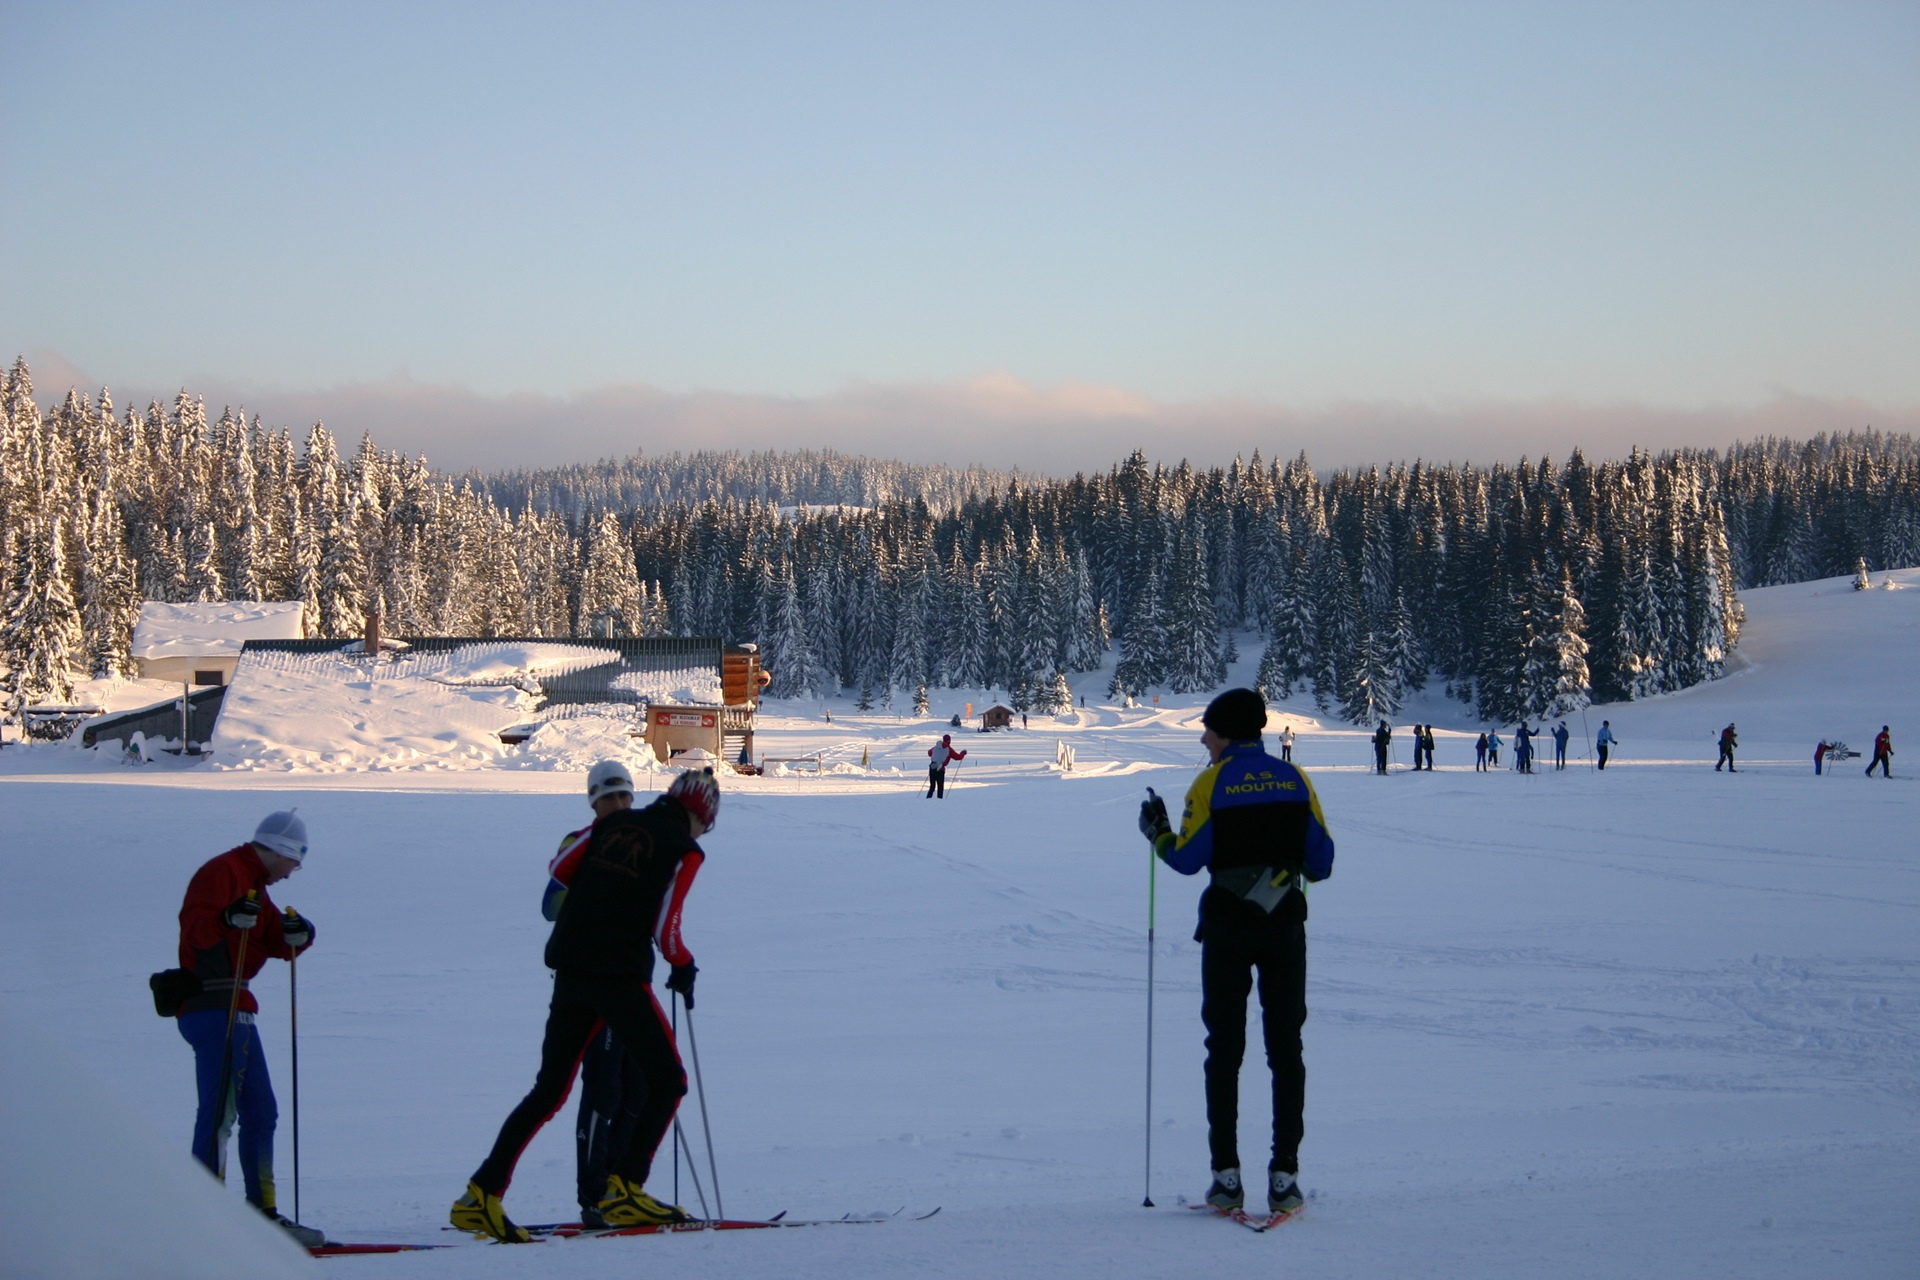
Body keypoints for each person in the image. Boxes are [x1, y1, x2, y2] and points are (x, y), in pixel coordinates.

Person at [452, 767, 718, 1242]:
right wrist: (683, 965)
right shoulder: (685, 848)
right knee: (669, 1081)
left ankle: (480, 1196)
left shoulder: (610, 825)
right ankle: (625, 1189)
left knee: (549, 1092)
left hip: (570, 972)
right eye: (707, 825)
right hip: (618, 976)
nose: (704, 833)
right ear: (700, 816)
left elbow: (560, 870)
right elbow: (667, 926)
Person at [1138, 688, 1334, 1219]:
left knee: (1225, 1050)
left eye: (1208, 730)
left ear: (1226, 734)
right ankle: (1286, 1177)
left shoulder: (1211, 782)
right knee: (1286, 1050)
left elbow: (1186, 859)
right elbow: (1322, 862)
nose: (1204, 739)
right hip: (1284, 926)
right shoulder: (1295, 779)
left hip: (1227, 927)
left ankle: (1227, 1178)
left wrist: (1156, 832)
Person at [175, 811, 323, 1247]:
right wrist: (226, 920)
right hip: (211, 1004)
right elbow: (196, 931)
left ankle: (261, 1214)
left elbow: (275, 937)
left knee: (261, 1114)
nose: (293, 872)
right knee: (221, 1113)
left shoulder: (252, 881)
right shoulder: (224, 871)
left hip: (235, 1006)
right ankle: (206, 1218)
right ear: (281, 850)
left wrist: (300, 934)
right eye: (295, 862)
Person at [542, 761, 650, 1229]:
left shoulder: (641, 845)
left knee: (641, 1087)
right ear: (593, 802)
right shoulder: (579, 843)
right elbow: (550, 904)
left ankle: (623, 1189)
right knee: (603, 1088)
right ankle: (594, 1195)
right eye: (610, 798)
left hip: (631, 982)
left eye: (626, 797)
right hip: (591, 984)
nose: (620, 805)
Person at [927, 733, 967, 798]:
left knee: (932, 786)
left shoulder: (936, 747)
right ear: (949, 741)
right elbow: (958, 757)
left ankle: (927, 800)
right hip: (940, 768)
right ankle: (939, 801)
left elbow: (929, 753)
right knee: (940, 787)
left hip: (932, 767)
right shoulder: (949, 749)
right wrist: (963, 753)